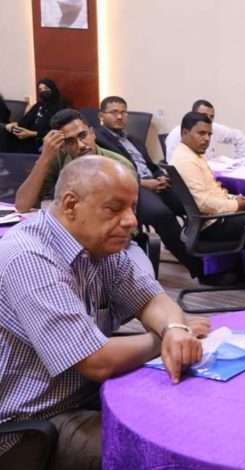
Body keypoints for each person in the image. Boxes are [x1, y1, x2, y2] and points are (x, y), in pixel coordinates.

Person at [0, 156, 210, 469]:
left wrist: (174, 330)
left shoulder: (99, 246)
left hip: (87, 396)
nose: (131, 221)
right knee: (165, 450)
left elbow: (153, 300)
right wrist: (164, 337)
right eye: (114, 209)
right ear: (71, 205)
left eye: (132, 208)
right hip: (31, 425)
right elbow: (96, 361)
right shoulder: (29, 257)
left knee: (191, 416)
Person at [95, 96, 203, 280]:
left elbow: (151, 165)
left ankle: (211, 257)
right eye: (114, 112)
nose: (120, 116)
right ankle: (199, 269)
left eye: (123, 112)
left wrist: (160, 175)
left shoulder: (133, 139)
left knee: (194, 205)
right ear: (101, 116)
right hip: (133, 187)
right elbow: (111, 172)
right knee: (162, 215)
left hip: (155, 183)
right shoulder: (99, 140)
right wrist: (144, 183)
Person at [14, 108, 134, 213]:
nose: (81, 145)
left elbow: (125, 218)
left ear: (92, 133)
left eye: (83, 135)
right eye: (70, 142)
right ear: (63, 147)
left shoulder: (120, 166)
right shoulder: (59, 159)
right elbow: (22, 205)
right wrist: (44, 158)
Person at [170, 111, 245, 243]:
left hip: (212, 218)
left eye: (209, 134)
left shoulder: (191, 154)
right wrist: (236, 204)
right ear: (185, 133)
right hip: (212, 224)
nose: (207, 139)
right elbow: (203, 203)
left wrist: (233, 199)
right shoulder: (187, 161)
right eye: (201, 133)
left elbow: (210, 193)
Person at [165, 99, 245, 160]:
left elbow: (239, 137)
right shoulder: (176, 134)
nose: (208, 119)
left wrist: (239, 161)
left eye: (211, 116)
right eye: (203, 115)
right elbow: (172, 166)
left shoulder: (214, 127)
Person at [2, 79, 64, 153]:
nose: (43, 91)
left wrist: (31, 133)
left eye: (46, 88)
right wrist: (16, 125)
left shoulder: (60, 107)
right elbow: (25, 120)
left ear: (53, 89)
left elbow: (57, 132)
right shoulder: (39, 105)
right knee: (4, 133)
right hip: (27, 137)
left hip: (41, 140)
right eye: (40, 89)